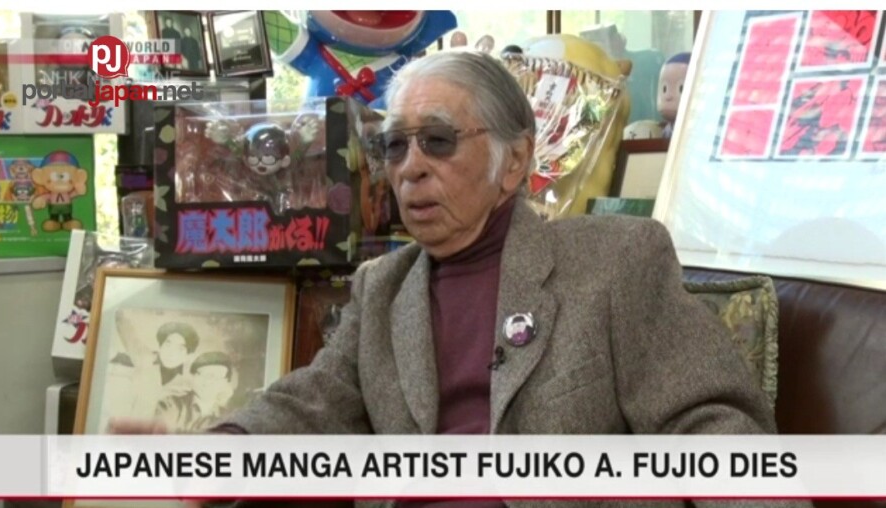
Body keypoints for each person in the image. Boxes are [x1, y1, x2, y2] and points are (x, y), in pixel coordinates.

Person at [112, 51, 807, 508]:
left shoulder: (615, 261)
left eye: (438, 141)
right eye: (395, 145)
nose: (410, 167)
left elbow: (712, 426)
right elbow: (312, 403)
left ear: (514, 161)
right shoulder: (383, 287)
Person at [156, 351, 236, 433]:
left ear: (225, 382)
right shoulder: (170, 405)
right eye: (202, 374)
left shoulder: (229, 417)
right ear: (193, 376)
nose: (207, 381)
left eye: (215, 376)